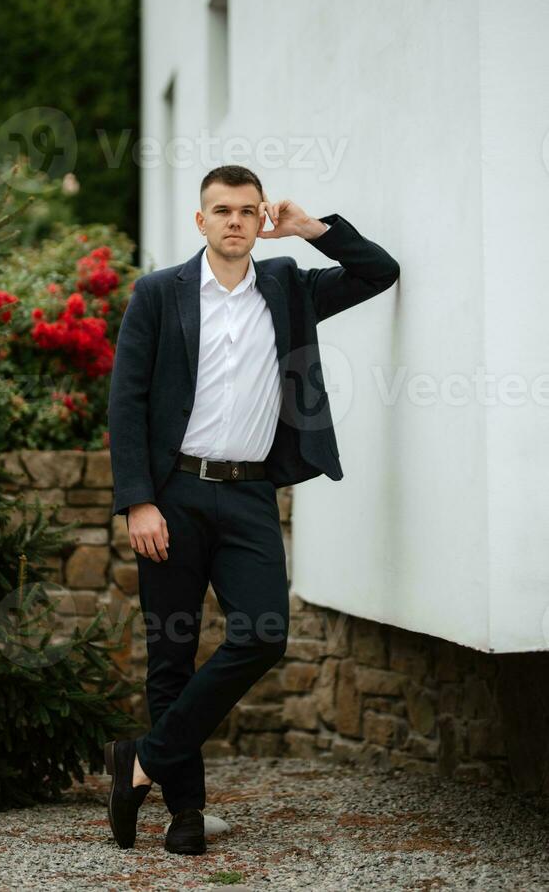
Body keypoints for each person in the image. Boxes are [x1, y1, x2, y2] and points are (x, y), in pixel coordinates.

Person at [105, 164, 400, 854]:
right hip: (174, 495)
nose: (235, 220)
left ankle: (140, 760)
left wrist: (312, 229)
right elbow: (127, 401)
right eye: (221, 210)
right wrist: (139, 501)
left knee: (263, 635)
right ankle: (185, 814)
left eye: (247, 210)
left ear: (260, 217)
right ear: (200, 220)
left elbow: (377, 272)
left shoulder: (289, 286)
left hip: (249, 494)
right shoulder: (158, 293)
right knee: (171, 656)